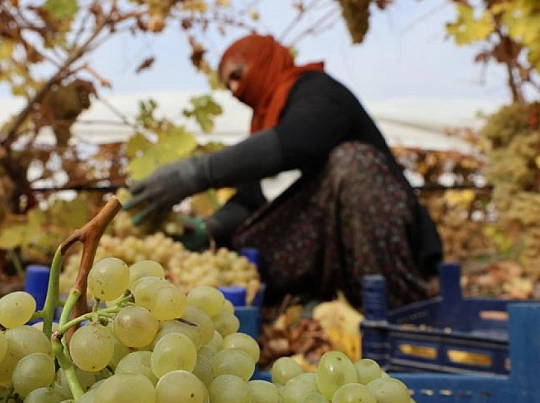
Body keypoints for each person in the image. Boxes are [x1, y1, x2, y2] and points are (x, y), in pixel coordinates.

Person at [124, 33, 442, 310]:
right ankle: (311, 302)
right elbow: (253, 198)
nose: (235, 90)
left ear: (263, 59)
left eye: (237, 74)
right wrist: (209, 228)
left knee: (352, 162)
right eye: (228, 85)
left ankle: (397, 305)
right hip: (331, 263)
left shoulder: (319, 91)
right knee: (248, 231)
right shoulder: (267, 124)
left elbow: (300, 141)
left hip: (383, 254)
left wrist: (198, 171)